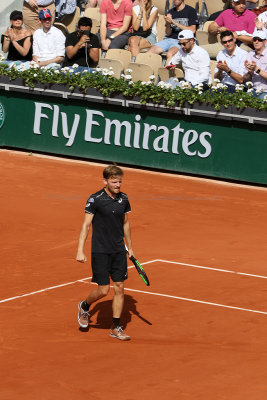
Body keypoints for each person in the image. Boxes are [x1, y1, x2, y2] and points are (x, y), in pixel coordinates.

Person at [76, 165, 135, 341]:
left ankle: (115, 327)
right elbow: (86, 225)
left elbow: (126, 224)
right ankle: (84, 306)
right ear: (105, 181)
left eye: (120, 182)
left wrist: (130, 247)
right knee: (103, 291)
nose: (118, 185)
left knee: (120, 287)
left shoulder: (123, 199)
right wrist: (80, 250)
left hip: (118, 250)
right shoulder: (95, 199)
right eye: (114, 181)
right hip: (100, 250)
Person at [243, 30, 267, 97]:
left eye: (259, 40)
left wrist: (256, 69)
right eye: (254, 40)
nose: (256, 42)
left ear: (265, 41)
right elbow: (245, 79)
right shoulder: (250, 55)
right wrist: (249, 73)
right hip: (253, 89)